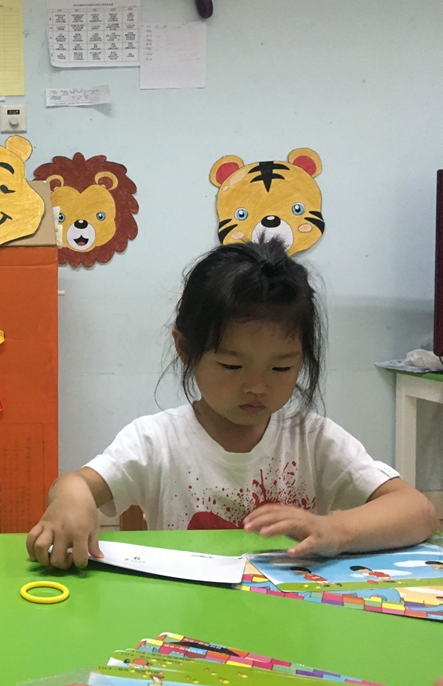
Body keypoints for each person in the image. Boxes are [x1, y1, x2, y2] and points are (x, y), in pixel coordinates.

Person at [27, 238, 437, 570]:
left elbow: (417, 511)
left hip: (292, 625)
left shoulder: (313, 440)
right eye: (232, 365)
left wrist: (333, 530)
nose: (256, 386)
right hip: (189, 626)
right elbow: (76, 483)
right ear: (185, 349)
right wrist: (72, 501)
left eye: (281, 368)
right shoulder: (156, 441)